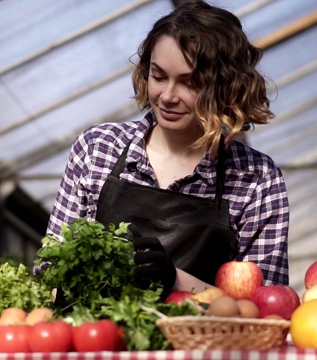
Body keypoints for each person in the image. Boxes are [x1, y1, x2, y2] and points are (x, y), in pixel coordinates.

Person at [41, 0, 289, 296]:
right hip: (95, 341)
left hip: (200, 343)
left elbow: (264, 311)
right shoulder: (97, 149)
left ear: (226, 87)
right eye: (159, 76)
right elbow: (50, 273)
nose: (168, 96)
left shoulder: (257, 179)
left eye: (189, 83)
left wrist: (175, 280)